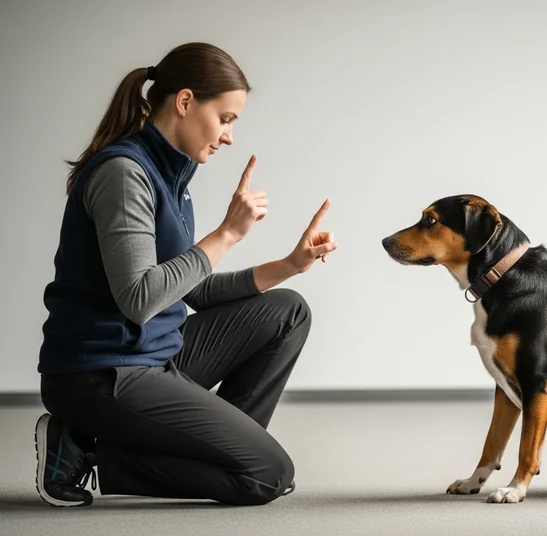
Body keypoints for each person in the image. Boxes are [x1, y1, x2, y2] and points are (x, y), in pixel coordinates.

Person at [34, 42, 337, 507]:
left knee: (287, 311)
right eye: (226, 118)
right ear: (185, 101)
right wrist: (227, 236)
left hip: (152, 357)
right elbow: (140, 298)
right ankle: (89, 453)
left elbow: (190, 288)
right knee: (267, 476)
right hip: (101, 374)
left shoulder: (171, 176)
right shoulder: (124, 174)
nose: (229, 136)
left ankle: (224, 457)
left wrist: (290, 266)